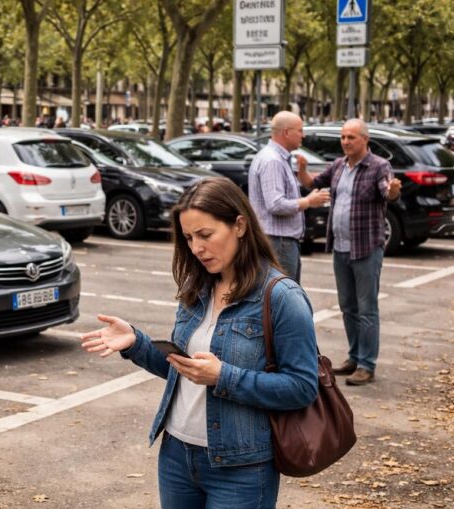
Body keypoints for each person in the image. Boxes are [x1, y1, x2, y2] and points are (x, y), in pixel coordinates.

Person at [80, 177, 319, 509]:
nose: (196, 248)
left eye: (205, 235)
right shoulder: (198, 288)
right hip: (177, 456)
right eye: (189, 238)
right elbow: (184, 370)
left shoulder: (282, 297)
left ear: (239, 225)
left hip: (242, 467)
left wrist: (224, 376)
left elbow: (302, 387)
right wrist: (135, 343)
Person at [297, 119, 401, 386]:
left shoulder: (379, 166)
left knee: (367, 309)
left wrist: (393, 191)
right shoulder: (339, 165)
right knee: (348, 307)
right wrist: (303, 171)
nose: (345, 141)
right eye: (343, 137)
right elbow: (312, 183)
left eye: (351, 137)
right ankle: (355, 356)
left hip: (366, 247)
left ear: (364, 139)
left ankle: (367, 364)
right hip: (340, 248)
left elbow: (387, 193)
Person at [248, 111, 330, 283]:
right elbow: (275, 204)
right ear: (286, 132)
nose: (304, 135)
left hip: (279, 241)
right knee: (282, 299)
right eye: (300, 130)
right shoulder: (273, 161)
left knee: (280, 296)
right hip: (278, 242)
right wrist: (308, 201)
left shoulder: (275, 158)